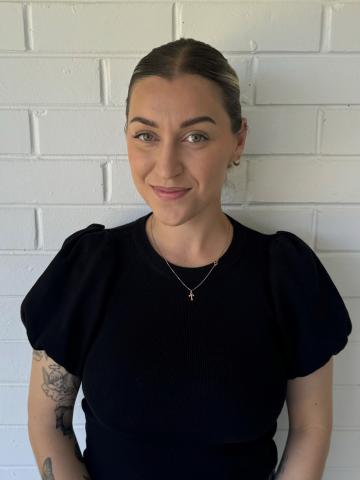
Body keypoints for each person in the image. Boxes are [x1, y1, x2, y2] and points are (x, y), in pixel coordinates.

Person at [20, 37, 352, 480]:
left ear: (238, 140)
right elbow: (49, 423)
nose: (166, 165)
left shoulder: (285, 274)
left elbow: (310, 429)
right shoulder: (90, 268)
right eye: (146, 135)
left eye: (195, 136)